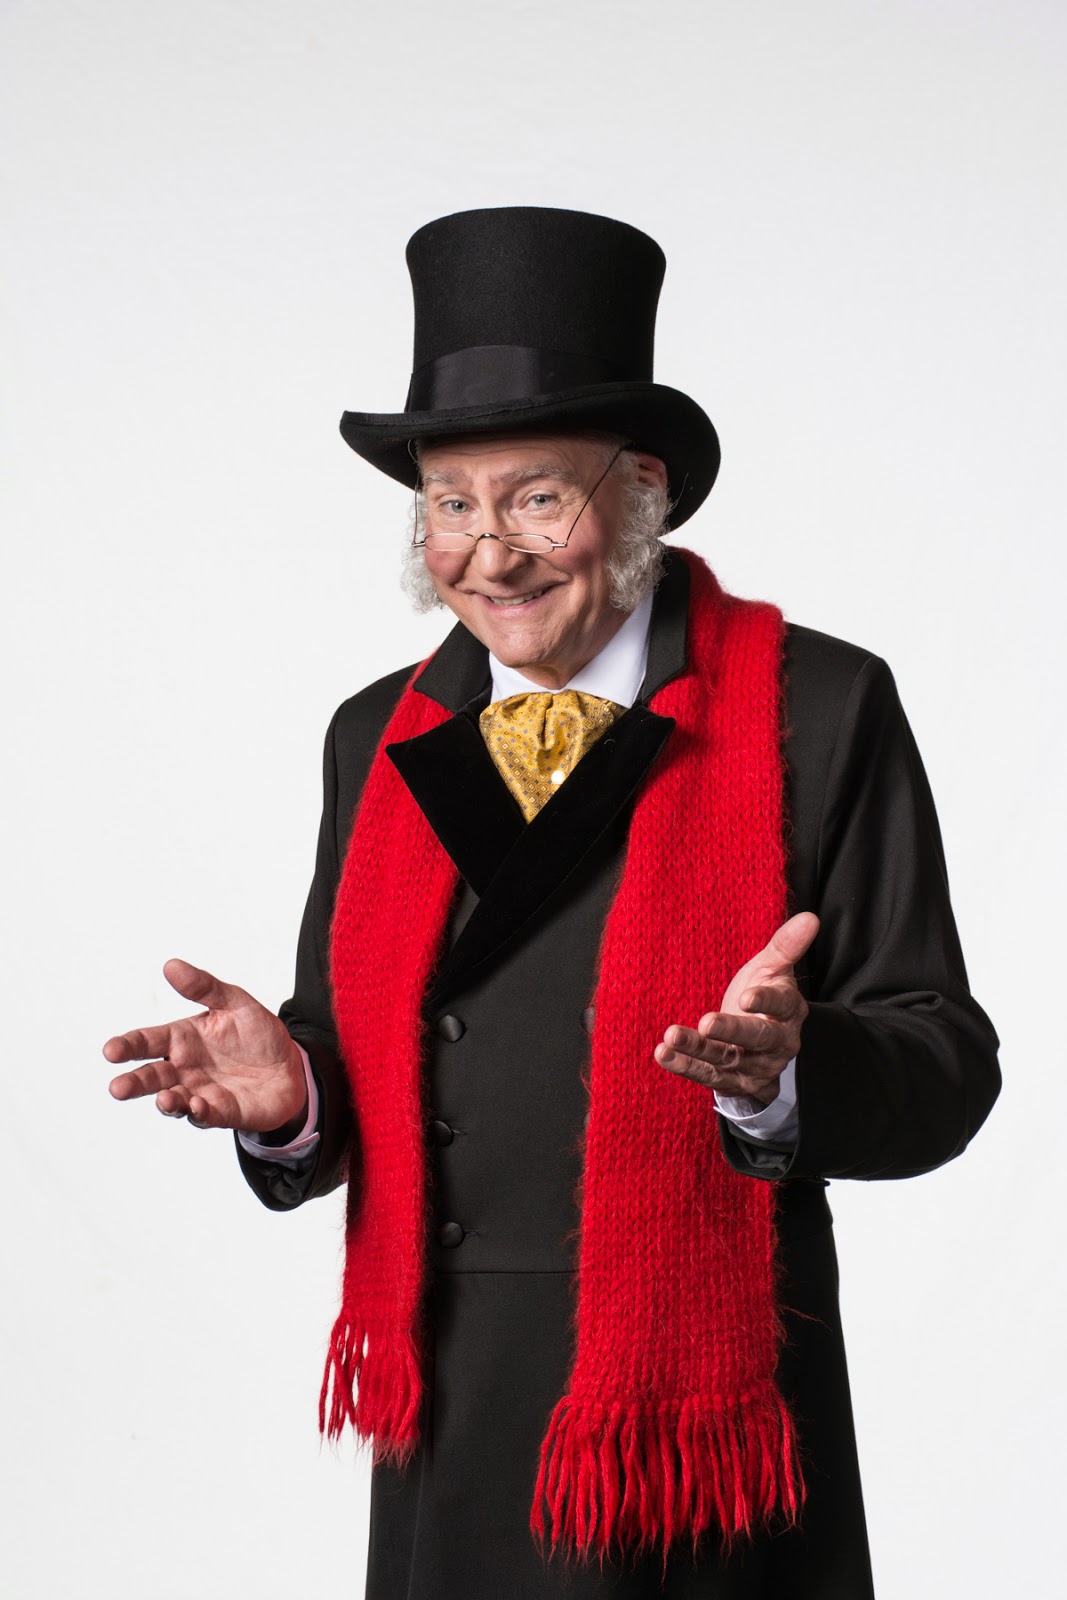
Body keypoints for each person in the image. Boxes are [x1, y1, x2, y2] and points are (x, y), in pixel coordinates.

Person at [105, 207, 1000, 1599]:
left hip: (707, 1434)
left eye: (535, 499)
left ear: (642, 492)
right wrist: (298, 1095)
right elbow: (355, 1043)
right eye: (450, 504)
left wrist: (784, 1074)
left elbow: (943, 1059)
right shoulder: (375, 734)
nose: (488, 552)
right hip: (456, 1408)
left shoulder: (820, 707)